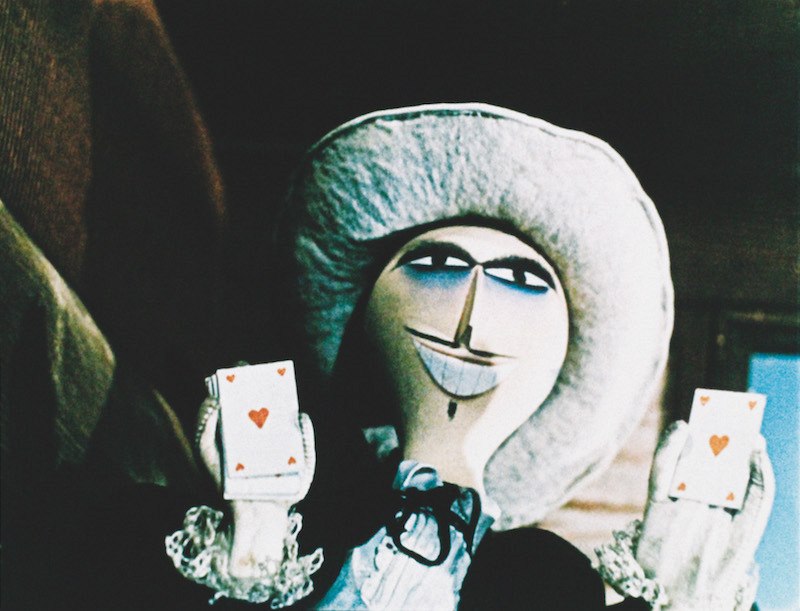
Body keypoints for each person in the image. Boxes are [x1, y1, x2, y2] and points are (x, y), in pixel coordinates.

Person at [172, 104, 774, 609]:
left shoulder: (549, 579)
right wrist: (249, 556)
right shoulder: (305, 524)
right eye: (437, 265)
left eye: (522, 281)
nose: (472, 318)